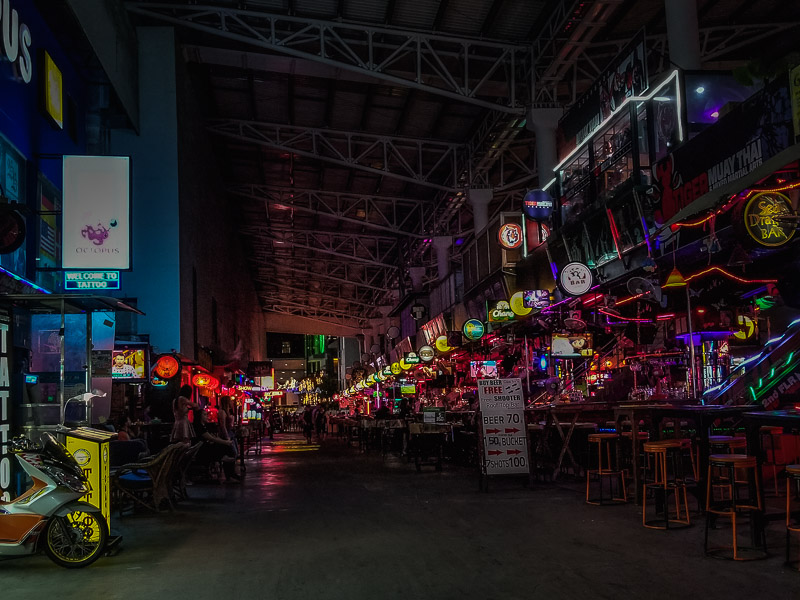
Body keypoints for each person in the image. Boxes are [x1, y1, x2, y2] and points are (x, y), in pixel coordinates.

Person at [192, 409, 240, 483]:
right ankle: (229, 471)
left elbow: (212, 437)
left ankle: (230, 473)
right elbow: (210, 438)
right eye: (204, 415)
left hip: (206, 448)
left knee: (227, 448)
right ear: (199, 417)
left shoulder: (204, 426)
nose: (207, 416)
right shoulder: (198, 426)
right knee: (225, 447)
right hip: (201, 452)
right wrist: (225, 442)